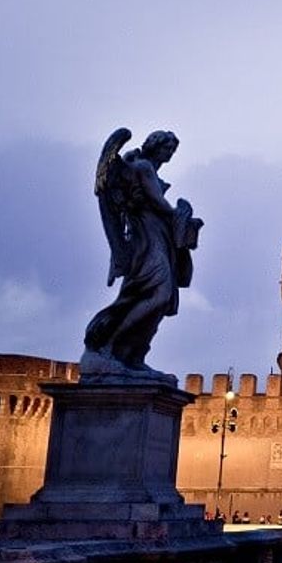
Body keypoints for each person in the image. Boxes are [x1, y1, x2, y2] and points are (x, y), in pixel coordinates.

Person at [85, 129, 202, 382]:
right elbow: (157, 203)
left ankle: (133, 356)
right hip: (147, 237)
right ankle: (109, 348)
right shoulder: (142, 168)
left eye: (172, 150)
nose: (169, 154)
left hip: (158, 235)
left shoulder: (146, 169)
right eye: (166, 148)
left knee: (162, 296)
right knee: (158, 293)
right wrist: (183, 214)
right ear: (153, 145)